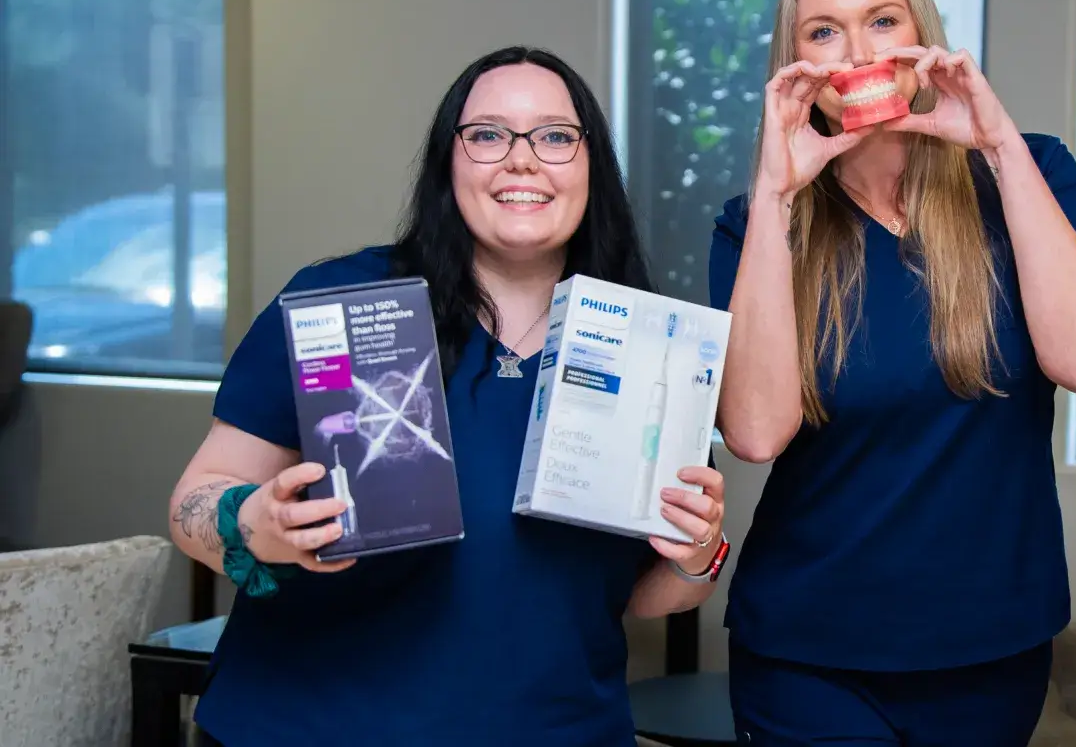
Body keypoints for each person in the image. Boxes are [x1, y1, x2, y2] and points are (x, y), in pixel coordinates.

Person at [167, 47, 729, 745]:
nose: (521, 160)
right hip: (313, 724)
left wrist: (696, 551)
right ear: (449, 162)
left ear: (591, 166)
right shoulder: (342, 304)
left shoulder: (651, 344)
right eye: (488, 134)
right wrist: (258, 524)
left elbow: (646, 594)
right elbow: (192, 503)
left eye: (555, 136)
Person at [708, 0, 1076, 746]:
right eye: (823, 32)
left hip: (991, 644)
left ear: (922, 37)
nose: (857, 52)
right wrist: (774, 195)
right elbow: (756, 431)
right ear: (795, 64)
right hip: (808, 650)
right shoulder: (756, 223)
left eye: (883, 21)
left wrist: (999, 144)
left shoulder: (1032, 170)